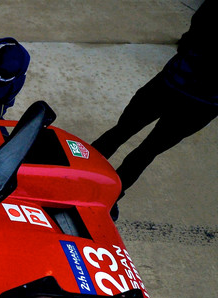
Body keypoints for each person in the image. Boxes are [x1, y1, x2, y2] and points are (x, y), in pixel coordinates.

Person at [91, 0, 217, 207]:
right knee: (143, 150)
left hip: (178, 84)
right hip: (198, 100)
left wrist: (188, 45)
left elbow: (200, 21)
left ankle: (80, 177)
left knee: (124, 135)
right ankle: (103, 198)